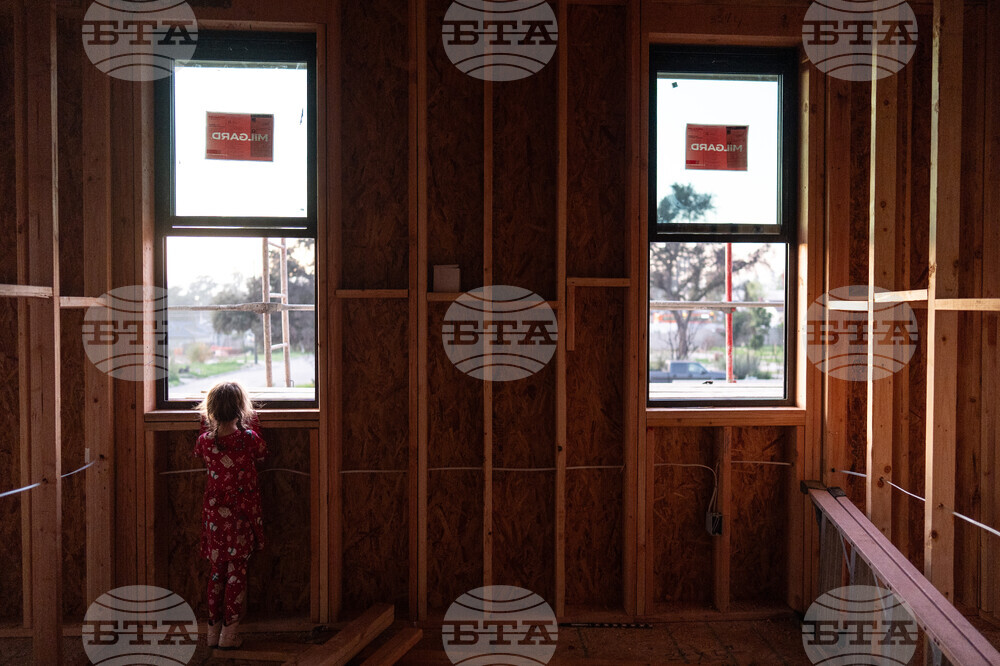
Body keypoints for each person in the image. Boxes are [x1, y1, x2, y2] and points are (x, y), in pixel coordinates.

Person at [193, 381, 267, 650]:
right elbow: (261, 454)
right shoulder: (248, 439)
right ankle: (230, 633)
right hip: (240, 516)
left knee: (216, 572)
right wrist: (252, 423)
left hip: (215, 517)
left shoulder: (205, 442)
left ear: (210, 411)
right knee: (237, 572)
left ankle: (211, 632)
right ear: (242, 410)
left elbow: (202, 449)